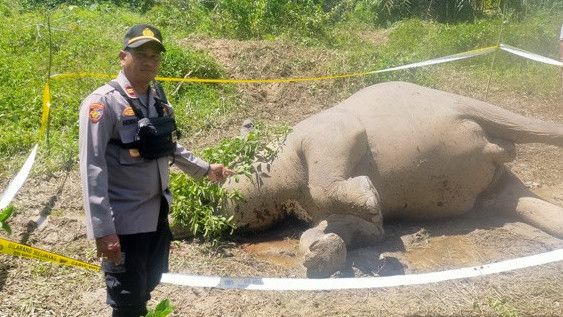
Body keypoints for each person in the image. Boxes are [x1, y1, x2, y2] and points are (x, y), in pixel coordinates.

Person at [78, 24, 232, 317]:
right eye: (141, 54)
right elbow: (91, 167)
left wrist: (205, 169)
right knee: (128, 300)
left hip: (157, 214)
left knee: (149, 283)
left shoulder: (157, 99)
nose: (149, 61)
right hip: (124, 223)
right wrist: (103, 230)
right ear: (123, 56)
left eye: (155, 55)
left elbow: (168, 147)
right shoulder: (102, 103)